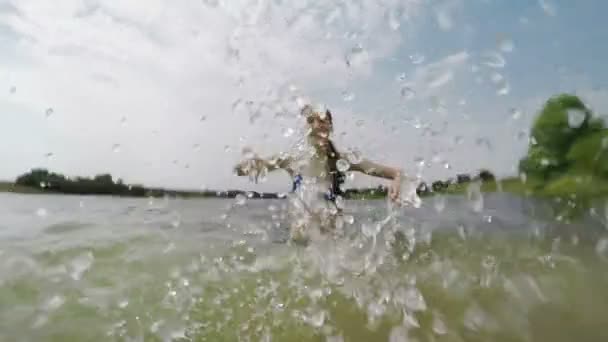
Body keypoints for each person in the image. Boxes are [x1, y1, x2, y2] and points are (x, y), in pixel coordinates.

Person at [234, 104, 405, 242]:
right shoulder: (292, 160)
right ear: (306, 128)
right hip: (299, 246)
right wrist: (248, 163)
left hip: (331, 246)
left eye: (323, 120)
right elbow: (243, 170)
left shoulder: (341, 161)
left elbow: (395, 173)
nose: (317, 125)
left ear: (330, 126)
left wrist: (396, 183)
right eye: (311, 121)